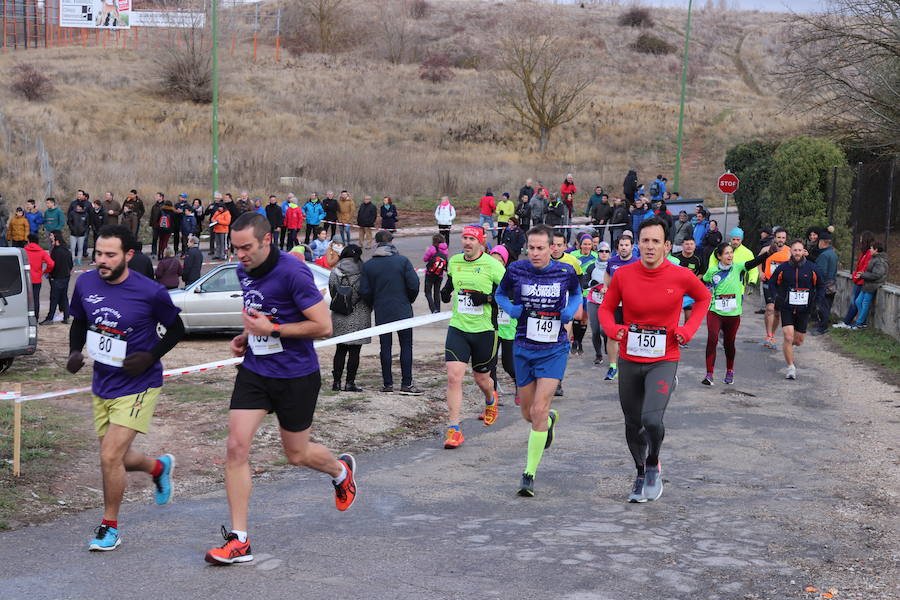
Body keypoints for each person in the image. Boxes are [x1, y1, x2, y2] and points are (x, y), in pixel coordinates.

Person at [204, 213, 357, 565]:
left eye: (246, 248)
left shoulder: (292, 271)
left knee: (296, 454)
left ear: (267, 240)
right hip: (256, 371)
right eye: (235, 247)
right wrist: (246, 336)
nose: (240, 255)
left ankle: (340, 471)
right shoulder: (244, 270)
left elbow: (323, 327)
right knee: (236, 445)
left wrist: (272, 331)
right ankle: (239, 540)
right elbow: (258, 312)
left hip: (296, 375)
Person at [65, 224, 184, 551]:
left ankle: (110, 527)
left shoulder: (150, 291)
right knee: (114, 458)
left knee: (108, 456)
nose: (101, 260)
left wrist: (149, 357)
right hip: (103, 381)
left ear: (128, 255)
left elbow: (177, 330)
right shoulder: (87, 282)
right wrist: (75, 351)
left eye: (109, 255)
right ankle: (158, 467)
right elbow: (80, 320)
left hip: (139, 383)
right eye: (98, 254)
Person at [599, 217, 711, 503]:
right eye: (645, 241)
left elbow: (703, 298)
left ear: (667, 246)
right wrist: (614, 330)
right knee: (631, 422)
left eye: (656, 241)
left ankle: (653, 464)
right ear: (638, 244)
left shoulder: (681, 275)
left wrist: (687, 330)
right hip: (630, 356)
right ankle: (639, 471)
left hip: (664, 357)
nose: (649, 247)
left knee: (651, 419)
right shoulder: (624, 275)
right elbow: (606, 308)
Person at [495, 224, 580, 497]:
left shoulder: (565, 272)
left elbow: (578, 294)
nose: (535, 253)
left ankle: (528, 474)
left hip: (554, 348)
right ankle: (548, 423)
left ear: (552, 248)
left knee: (539, 410)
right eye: (531, 248)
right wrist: (510, 308)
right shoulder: (516, 270)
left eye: (541, 248)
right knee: (528, 413)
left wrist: (569, 310)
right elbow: (500, 294)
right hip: (523, 347)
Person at [438, 225, 506, 448]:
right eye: (464, 238)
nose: (467, 242)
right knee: (454, 376)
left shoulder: (493, 265)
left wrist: (486, 298)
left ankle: (490, 398)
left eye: (471, 239)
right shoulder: (455, 261)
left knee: (482, 379)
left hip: (485, 330)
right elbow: (451, 281)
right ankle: (454, 429)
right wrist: (446, 291)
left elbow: (509, 294)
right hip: (458, 327)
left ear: (481, 242)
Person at [359, 230, 421, 394]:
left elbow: (364, 290)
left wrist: (373, 302)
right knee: (406, 345)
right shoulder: (402, 261)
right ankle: (406, 383)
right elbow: (414, 284)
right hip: (403, 308)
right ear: (391, 242)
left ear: (376, 243)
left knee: (385, 346)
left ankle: (388, 384)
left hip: (382, 309)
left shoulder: (369, 265)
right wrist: (408, 300)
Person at [701, 242, 771, 385]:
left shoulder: (738, 267)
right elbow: (704, 282)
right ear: (719, 256)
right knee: (712, 339)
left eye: (731, 253)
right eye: (726, 253)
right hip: (715, 311)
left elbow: (753, 263)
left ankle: (730, 371)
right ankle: (709, 374)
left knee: (729, 343)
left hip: (733, 314)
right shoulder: (712, 271)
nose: (730, 255)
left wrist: (767, 254)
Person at [769, 239, 824, 379]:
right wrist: (776, 296)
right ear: (791, 251)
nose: (797, 253)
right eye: (795, 250)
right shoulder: (783, 268)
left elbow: (821, 286)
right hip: (787, 307)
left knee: (798, 341)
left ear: (804, 251)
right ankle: (791, 367)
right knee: (788, 336)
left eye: (800, 250)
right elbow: (772, 283)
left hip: (804, 309)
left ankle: (788, 347)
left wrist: (817, 302)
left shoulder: (812, 268)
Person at [329, 244, 371, 392]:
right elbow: (367, 291)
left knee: (340, 350)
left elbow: (332, 291)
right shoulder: (364, 271)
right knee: (355, 352)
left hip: (340, 313)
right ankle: (350, 382)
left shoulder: (336, 270)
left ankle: (336, 383)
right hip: (360, 313)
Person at [601, 233, 639, 381]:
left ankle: (631, 365)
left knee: (631, 336)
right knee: (613, 335)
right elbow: (607, 273)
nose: (623, 248)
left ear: (632, 247)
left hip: (632, 306)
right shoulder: (612, 261)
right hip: (616, 304)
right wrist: (605, 286)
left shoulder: (637, 262)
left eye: (626, 245)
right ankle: (613, 367)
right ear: (618, 247)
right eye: (621, 245)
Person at [488, 245, 518, 406]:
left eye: (499, 261)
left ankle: (518, 383)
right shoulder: (486, 277)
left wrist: (494, 298)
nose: (496, 263)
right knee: (489, 364)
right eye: (493, 260)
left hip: (508, 326)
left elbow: (515, 295)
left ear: (505, 263)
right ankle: (491, 400)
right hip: (490, 326)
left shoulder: (509, 278)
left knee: (508, 364)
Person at [834, 231, 876, 328]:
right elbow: (859, 266)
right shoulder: (864, 252)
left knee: (855, 302)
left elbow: (865, 268)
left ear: (866, 239)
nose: (860, 240)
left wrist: (856, 276)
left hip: (861, 281)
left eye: (861, 238)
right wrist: (855, 275)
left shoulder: (869, 253)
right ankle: (855, 322)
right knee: (856, 302)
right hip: (858, 280)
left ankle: (848, 322)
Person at [846, 241, 887, 330]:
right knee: (858, 301)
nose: (870, 250)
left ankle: (859, 323)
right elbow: (871, 272)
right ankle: (862, 321)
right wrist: (863, 273)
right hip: (867, 284)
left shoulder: (879, 261)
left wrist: (862, 275)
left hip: (873, 285)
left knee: (865, 303)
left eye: (871, 248)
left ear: (876, 250)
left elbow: (877, 275)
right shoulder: (874, 258)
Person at [760, 228, 790, 349]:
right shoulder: (767, 250)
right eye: (779, 237)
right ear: (774, 238)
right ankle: (769, 335)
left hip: (782, 285)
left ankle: (771, 334)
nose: (781, 240)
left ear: (785, 239)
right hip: (768, 281)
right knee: (770, 308)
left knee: (777, 311)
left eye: (783, 238)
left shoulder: (789, 252)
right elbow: (757, 261)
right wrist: (760, 272)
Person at [569, 234, 597, 356]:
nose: (586, 246)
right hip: (575, 291)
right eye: (584, 244)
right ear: (580, 244)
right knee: (577, 316)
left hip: (589, 292)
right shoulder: (573, 255)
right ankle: (574, 341)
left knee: (584, 319)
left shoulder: (596, 257)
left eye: (589, 244)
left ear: (592, 246)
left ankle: (579, 342)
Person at [585, 241, 611, 365]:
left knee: (603, 330)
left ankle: (607, 342)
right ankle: (598, 355)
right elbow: (584, 284)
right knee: (595, 330)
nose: (604, 253)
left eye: (607, 251)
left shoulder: (613, 266)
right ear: (597, 252)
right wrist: (594, 284)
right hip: (594, 301)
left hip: (608, 302)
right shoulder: (591, 266)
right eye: (601, 251)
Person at [41, 230, 73, 325]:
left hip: (57, 278)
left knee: (54, 299)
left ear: (55, 237)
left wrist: (51, 275)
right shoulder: (66, 249)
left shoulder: (56, 251)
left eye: (51, 235)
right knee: (64, 298)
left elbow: (53, 265)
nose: (50, 237)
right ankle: (66, 317)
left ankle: (49, 318)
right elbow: (70, 264)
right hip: (65, 277)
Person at [810, 230, 837, 335]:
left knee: (823, 307)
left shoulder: (824, 255)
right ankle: (821, 324)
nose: (818, 244)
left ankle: (822, 328)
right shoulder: (832, 253)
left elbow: (821, 272)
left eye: (819, 241)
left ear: (823, 242)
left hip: (825, 285)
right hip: (832, 284)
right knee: (827, 306)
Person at [24, 233, 54, 319]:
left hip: (26, 278)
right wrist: (45, 272)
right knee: (36, 298)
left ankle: (27, 316)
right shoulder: (41, 252)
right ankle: (35, 317)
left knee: (26, 298)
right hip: (37, 279)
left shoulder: (24, 251)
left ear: (29, 241)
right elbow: (51, 264)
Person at [422, 234, 448, 314]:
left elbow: (425, 259)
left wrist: (427, 251)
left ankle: (433, 309)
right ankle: (438, 309)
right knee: (436, 292)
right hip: (439, 274)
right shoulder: (445, 250)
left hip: (430, 273)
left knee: (427, 292)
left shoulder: (432, 249)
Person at [148, 193, 165, 258]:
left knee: (162, 240)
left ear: (161, 197)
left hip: (162, 226)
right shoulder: (154, 206)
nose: (155, 197)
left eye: (157, 196)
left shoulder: (165, 205)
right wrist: (150, 224)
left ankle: (161, 252)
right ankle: (153, 252)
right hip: (155, 226)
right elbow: (152, 216)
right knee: (154, 239)